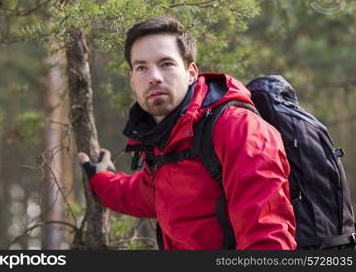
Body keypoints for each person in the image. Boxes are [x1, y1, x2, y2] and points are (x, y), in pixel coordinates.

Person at [78, 16, 297, 250]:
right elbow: (149, 193)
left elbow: (267, 238)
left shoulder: (239, 129)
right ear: (132, 79)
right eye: (142, 67)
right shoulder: (165, 137)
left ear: (191, 71)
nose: (154, 77)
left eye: (166, 64)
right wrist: (101, 181)